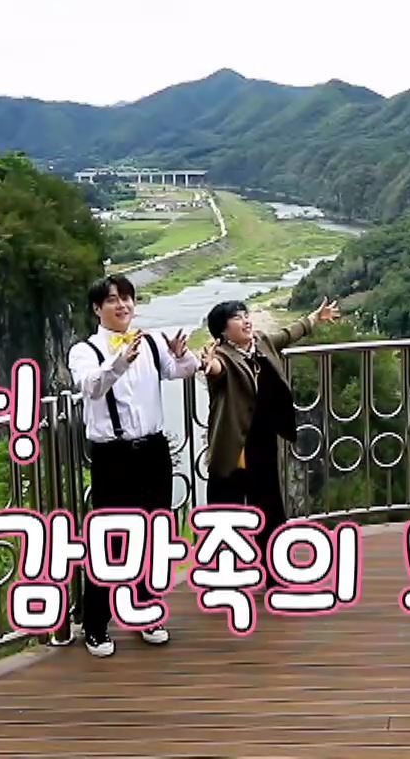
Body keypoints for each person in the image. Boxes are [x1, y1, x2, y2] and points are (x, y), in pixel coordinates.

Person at [67, 273, 199, 658]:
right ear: (97, 308)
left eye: (127, 298)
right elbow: (91, 386)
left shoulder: (152, 342)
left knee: (155, 533)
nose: (122, 305)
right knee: (111, 540)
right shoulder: (84, 351)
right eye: (113, 300)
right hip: (113, 455)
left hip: (153, 450)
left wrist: (181, 354)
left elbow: (183, 370)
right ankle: (96, 624)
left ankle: (146, 612)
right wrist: (119, 362)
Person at [200, 297, 341, 566]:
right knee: (226, 509)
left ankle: (274, 568)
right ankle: (224, 571)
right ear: (223, 331)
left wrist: (315, 317)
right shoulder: (223, 356)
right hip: (233, 444)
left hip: (263, 439)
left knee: (269, 504)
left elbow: (288, 334)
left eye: (246, 314)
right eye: (237, 317)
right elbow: (217, 370)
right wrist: (208, 364)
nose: (246, 320)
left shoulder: (261, 342)